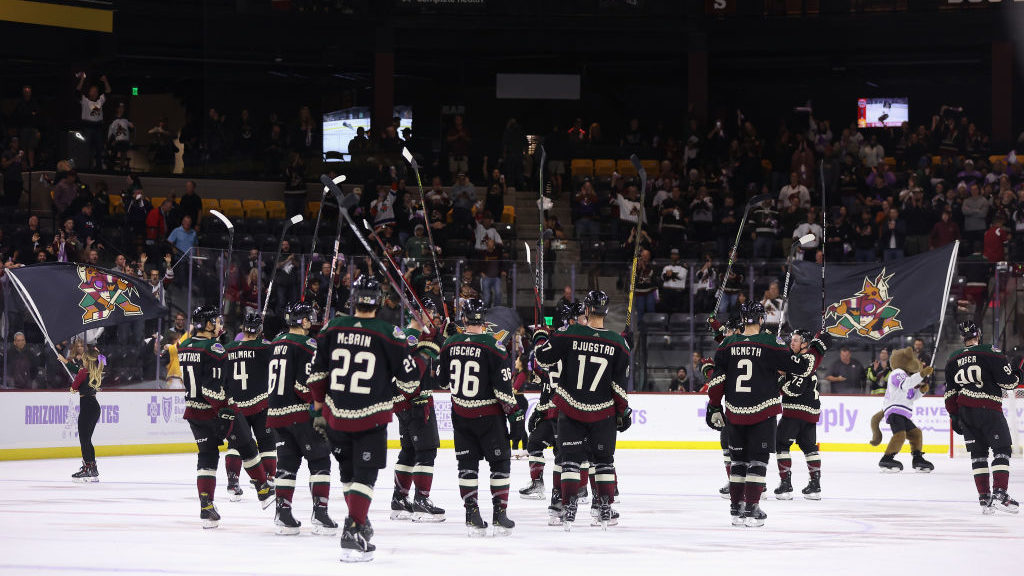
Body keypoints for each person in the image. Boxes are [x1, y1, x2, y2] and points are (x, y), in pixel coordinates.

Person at [306, 275, 422, 562]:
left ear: (354, 299)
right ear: (378, 302)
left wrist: (319, 411)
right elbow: (410, 383)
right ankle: (354, 529)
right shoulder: (389, 334)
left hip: (335, 417)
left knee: (348, 475)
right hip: (371, 417)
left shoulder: (331, 328)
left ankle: (358, 520)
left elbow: (316, 377)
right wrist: (426, 350)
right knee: (365, 476)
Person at [704, 301, 828, 527]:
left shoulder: (727, 344)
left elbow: (718, 381)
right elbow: (801, 367)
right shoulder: (771, 343)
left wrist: (714, 406)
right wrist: (818, 347)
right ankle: (752, 508)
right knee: (758, 460)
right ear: (761, 319)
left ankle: (736, 509)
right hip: (763, 412)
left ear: (742, 320)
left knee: (738, 461)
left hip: (734, 412)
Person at [534, 290, 631, 530]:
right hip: (603, 412)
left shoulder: (569, 333)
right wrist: (623, 411)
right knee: (604, 461)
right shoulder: (618, 342)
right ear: (606, 312)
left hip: (571, 409)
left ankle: (567, 508)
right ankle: (604, 508)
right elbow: (619, 386)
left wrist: (540, 338)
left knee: (569, 461)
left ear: (586, 310)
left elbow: (541, 359)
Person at [180, 305, 273, 528]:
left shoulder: (184, 346)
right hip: (216, 412)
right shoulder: (215, 348)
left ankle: (206, 506)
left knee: (207, 458)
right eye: (216, 321)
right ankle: (263, 489)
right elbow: (212, 389)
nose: (219, 325)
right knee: (247, 445)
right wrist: (226, 408)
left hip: (193, 411)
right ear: (208, 324)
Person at [435, 298, 521, 537]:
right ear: (484, 319)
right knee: (500, 463)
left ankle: (471, 513)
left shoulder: (450, 343)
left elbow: (441, 381)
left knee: (467, 465)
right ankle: (499, 514)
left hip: (461, 415)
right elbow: (503, 391)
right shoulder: (495, 346)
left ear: (464, 319)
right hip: (489, 418)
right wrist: (515, 417)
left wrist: (446, 343)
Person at [265, 301, 337, 536]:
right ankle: (320, 513)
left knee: (286, 464)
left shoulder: (276, 342)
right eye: (309, 318)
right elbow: (303, 385)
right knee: (320, 461)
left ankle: (283, 514)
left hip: (276, 414)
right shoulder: (307, 344)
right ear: (303, 321)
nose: (311, 321)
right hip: (299, 413)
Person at [945, 321, 1020, 513]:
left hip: (965, 412)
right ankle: (1000, 493)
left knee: (978, 455)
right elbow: (1009, 384)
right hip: (988, 408)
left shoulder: (953, 359)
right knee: (1002, 449)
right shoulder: (990, 351)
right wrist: (1017, 373)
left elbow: (950, 394)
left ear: (963, 337)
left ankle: (984, 499)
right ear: (978, 334)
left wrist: (954, 416)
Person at [390, 298, 445, 523]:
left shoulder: (402, 333)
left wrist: (439, 336)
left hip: (401, 401)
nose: (431, 315)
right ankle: (421, 500)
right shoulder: (412, 337)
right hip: (416, 400)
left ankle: (399, 500)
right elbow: (414, 366)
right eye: (429, 311)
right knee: (426, 450)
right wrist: (435, 342)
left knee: (409, 451)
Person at [221, 313, 277, 501]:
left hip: (236, 406)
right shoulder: (266, 348)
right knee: (267, 442)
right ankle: (269, 479)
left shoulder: (227, 349)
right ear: (260, 330)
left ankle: (232, 482)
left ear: (243, 328)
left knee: (237, 444)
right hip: (260, 403)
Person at [773, 330, 823, 501]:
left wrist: (779, 379)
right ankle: (815, 486)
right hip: (811, 413)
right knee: (810, 448)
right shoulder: (810, 361)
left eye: (795, 340)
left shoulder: (800, 361)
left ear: (804, 344)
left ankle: (785, 484)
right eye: (791, 340)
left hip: (795, 411)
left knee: (781, 445)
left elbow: (794, 389)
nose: (791, 343)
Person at [59, 341, 104, 482]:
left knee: (84, 440)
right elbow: (78, 371)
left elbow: (73, 388)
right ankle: (92, 468)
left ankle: (87, 468)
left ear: (86, 359)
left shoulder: (83, 372)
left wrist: (74, 387)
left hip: (86, 407)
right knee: (87, 439)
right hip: (95, 407)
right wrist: (65, 361)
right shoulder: (96, 370)